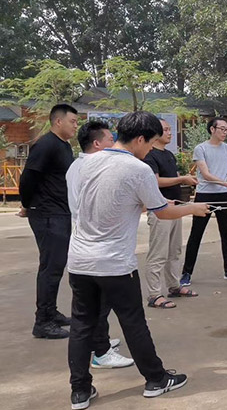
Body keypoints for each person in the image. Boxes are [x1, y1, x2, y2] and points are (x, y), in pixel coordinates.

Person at [67, 111, 210, 409]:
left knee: (82, 325)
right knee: (133, 322)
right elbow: (163, 212)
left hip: (80, 260)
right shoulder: (138, 168)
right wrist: (192, 209)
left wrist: (150, 203)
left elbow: (106, 200)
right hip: (114, 263)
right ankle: (156, 379)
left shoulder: (84, 163)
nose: (151, 149)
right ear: (141, 139)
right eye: (152, 142)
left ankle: (79, 391)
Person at [66, 120, 133, 369]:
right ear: (97, 143)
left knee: (93, 306)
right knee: (99, 303)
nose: (114, 143)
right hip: (95, 246)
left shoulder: (79, 166)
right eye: (109, 139)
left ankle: (99, 342)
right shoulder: (91, 167)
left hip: (83, 246)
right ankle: (101, 351)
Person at [19, 103, 78, 339]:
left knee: (56, 265)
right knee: (50, 268)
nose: (76, 126)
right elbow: (29, 176)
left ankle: (51, 313)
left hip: (60, 212)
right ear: (58, 121)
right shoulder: (46, 145)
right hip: (47, 213)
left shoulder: (63, 146)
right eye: (73, 121)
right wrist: (27, 204)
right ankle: (42, 322)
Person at [180, 117, 227, 286]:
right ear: (212, 129)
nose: (225, 132)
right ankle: (186, 272)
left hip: (223, 195)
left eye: (226, 129)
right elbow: (206, 174)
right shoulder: (201, 148)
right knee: (196, 234)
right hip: (205, 195)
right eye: (222, 129)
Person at [143, 119, 199, 308]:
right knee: (158, 253)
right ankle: (154, 294)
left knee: (174, 251)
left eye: (169, 129)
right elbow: (155, 181)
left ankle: (174, 286)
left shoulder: (168, 155)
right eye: (165, 129)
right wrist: (182, 179)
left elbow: (173, 178)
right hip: (159, 209)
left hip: (175, 208)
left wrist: (184, 179)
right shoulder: (149, 155)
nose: (169, 132)